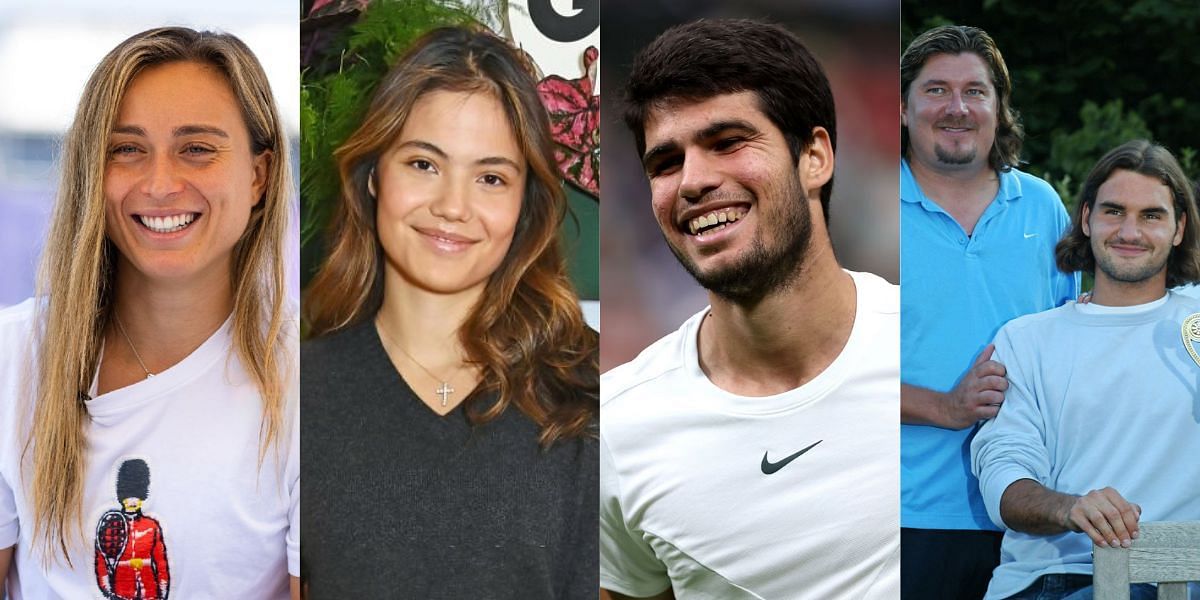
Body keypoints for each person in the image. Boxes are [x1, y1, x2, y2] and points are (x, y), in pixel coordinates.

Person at [600, 18, 898, 599]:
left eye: (727, 143)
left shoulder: (930, 347)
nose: (692, 181)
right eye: (665, 163)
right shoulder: (618, 427)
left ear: (814, 157)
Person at [300, 26, 599, 598]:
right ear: (373, 177)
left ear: (524, 206)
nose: (453, 207)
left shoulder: (594, 394)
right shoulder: (297, 394)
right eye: (423, 164)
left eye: (490, 178)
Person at [0, 27, 299, 599]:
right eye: (126, 150)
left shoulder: (308, 389)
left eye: (197, 149)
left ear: (259, 176)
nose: (161, 184)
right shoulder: (13, 360)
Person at [971, 139, 1200, 600]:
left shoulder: (1194, 323)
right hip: (1063, 578)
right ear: (1086, 218)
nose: (1130, 231)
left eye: (1151, 215)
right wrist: (1070, 508)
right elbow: (1004, 478)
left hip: (1183, 571)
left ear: (1178, 229)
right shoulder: (1027, 339)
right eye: (1114, 211)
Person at [899, 24, 1079, 598]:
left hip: (1030, 518)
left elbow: (1070, 349)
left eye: (975, 91)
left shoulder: (1044, 206)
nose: (958, 107)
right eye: (935, 90)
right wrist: (944, 406)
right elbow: (817, 370)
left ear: (999, 110)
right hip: (902, 512)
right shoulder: (855, 211)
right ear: (901, 110)